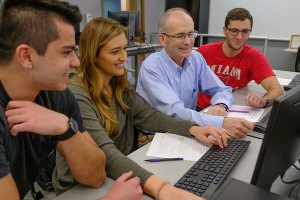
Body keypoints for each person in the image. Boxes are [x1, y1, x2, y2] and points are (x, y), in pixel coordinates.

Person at [52, 16, 231, 200]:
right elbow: (108, 153)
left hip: (116, 175)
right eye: (115, 52)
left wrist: (193, 129)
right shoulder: (76, 94)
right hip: (80, 188)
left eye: (124, 48)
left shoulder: (118, 86)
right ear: (94, 55)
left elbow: (151, 116)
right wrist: (163, 189)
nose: (124, 57)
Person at [0, 0, 142, 199]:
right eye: (66, 52)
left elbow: (95, 176)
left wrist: (66, 128)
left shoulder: (56, 95)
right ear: (26, 56)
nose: (76, 62)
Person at [136, 8, 254, 139]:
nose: (187, 42)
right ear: (163, 39)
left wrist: (220, 104)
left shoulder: (196, 58)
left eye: (191, 34)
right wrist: (221, 123)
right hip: (156, 135)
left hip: (189, 128)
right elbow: (174, 112)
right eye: (180, 35)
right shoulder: (151, 67)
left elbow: (222, 89)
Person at [196, 8, 283, 110]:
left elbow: (277, 90)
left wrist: (263, 100)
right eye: (234, 31)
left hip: (230, 110)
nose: (239, 37)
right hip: (201, 109)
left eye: (245, 31)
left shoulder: (254, 57)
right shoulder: (203, 52)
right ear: (225, 30)